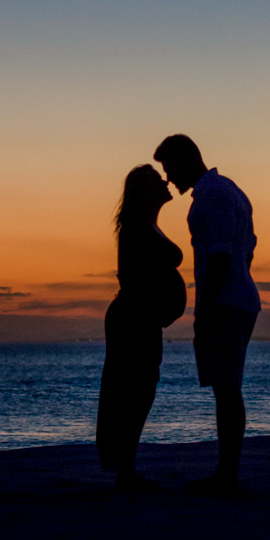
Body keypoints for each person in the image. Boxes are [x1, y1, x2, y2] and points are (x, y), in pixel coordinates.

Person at [153, 135, 260, 494]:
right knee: (226, 387)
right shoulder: (229, 190)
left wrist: (207, 307)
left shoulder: (212, 196)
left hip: (227, 303)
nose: (168, 179)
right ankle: (226, 471)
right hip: (238, 298)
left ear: (184, 160)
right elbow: (249, 250)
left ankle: (227, 475)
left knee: (227, 389)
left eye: (169, 169)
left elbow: (222, 254)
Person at [96, 164, 186, 492]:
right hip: (133, 319)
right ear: (147, 190)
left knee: (140, 389)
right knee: (133, 389)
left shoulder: (147, 223)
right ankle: (125, 470)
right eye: (157, 179)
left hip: (141, 317)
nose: (166, 181)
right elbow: (160, 263)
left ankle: (126, 467)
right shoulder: (137, 226)